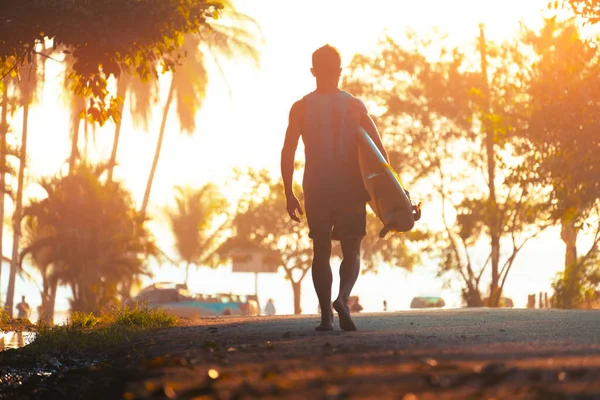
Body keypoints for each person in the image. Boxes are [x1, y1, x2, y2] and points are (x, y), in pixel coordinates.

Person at [281, 44, 389, 331]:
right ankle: (342, 299)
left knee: (321, 250)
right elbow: (379, 153)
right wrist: (386, 195)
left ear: (313, 71)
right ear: (340, 72)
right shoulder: (355, 106)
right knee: (352, 249)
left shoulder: (300, 108)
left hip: (316, 185)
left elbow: (288, 151)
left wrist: (289, 193)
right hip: (350, 186)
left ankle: (326, 319)